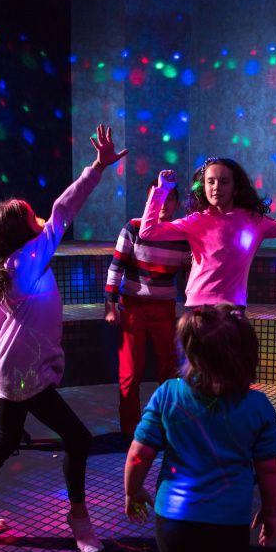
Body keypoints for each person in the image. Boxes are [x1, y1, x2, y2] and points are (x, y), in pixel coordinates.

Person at [0, 124, 127, 552]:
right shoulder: (29, 260)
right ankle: (79, 520)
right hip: (23, 374)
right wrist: (97, 168)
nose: (41, 215)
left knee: (5, 440)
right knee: (80, 439)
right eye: (32, 215)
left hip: (7, 369)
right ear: (25, 236)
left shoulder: (17, 267)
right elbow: (65, 208)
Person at [123, 305, 276, 552]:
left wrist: (133, 492)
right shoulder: (258, 406)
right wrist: (270, 512)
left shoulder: (167, 395)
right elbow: (268, 470)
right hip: (229, 524)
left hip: (175, 522)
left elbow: (139, 456)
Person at [138, 160, 276, 307]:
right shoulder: (195, 221)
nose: (216, 187)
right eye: (210, 182)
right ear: (203, 187)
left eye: (224, 182)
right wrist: (161, 191)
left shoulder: (254, 221)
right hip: (198, 308)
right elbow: (147, 232)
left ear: (235, 188)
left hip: (233, 307)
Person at [104, 175, 191, 436]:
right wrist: (109, 304)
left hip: (164, 308)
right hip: (132, 307)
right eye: (159, 196)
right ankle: (130, 432)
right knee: (130, 374)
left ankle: (167, 425)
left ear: (177, 204)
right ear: (150, 200)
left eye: (170, 198)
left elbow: (189, 272)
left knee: (169, 367)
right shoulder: (132, 227)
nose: (164, 203)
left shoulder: (181, 236)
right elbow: (116, 266)